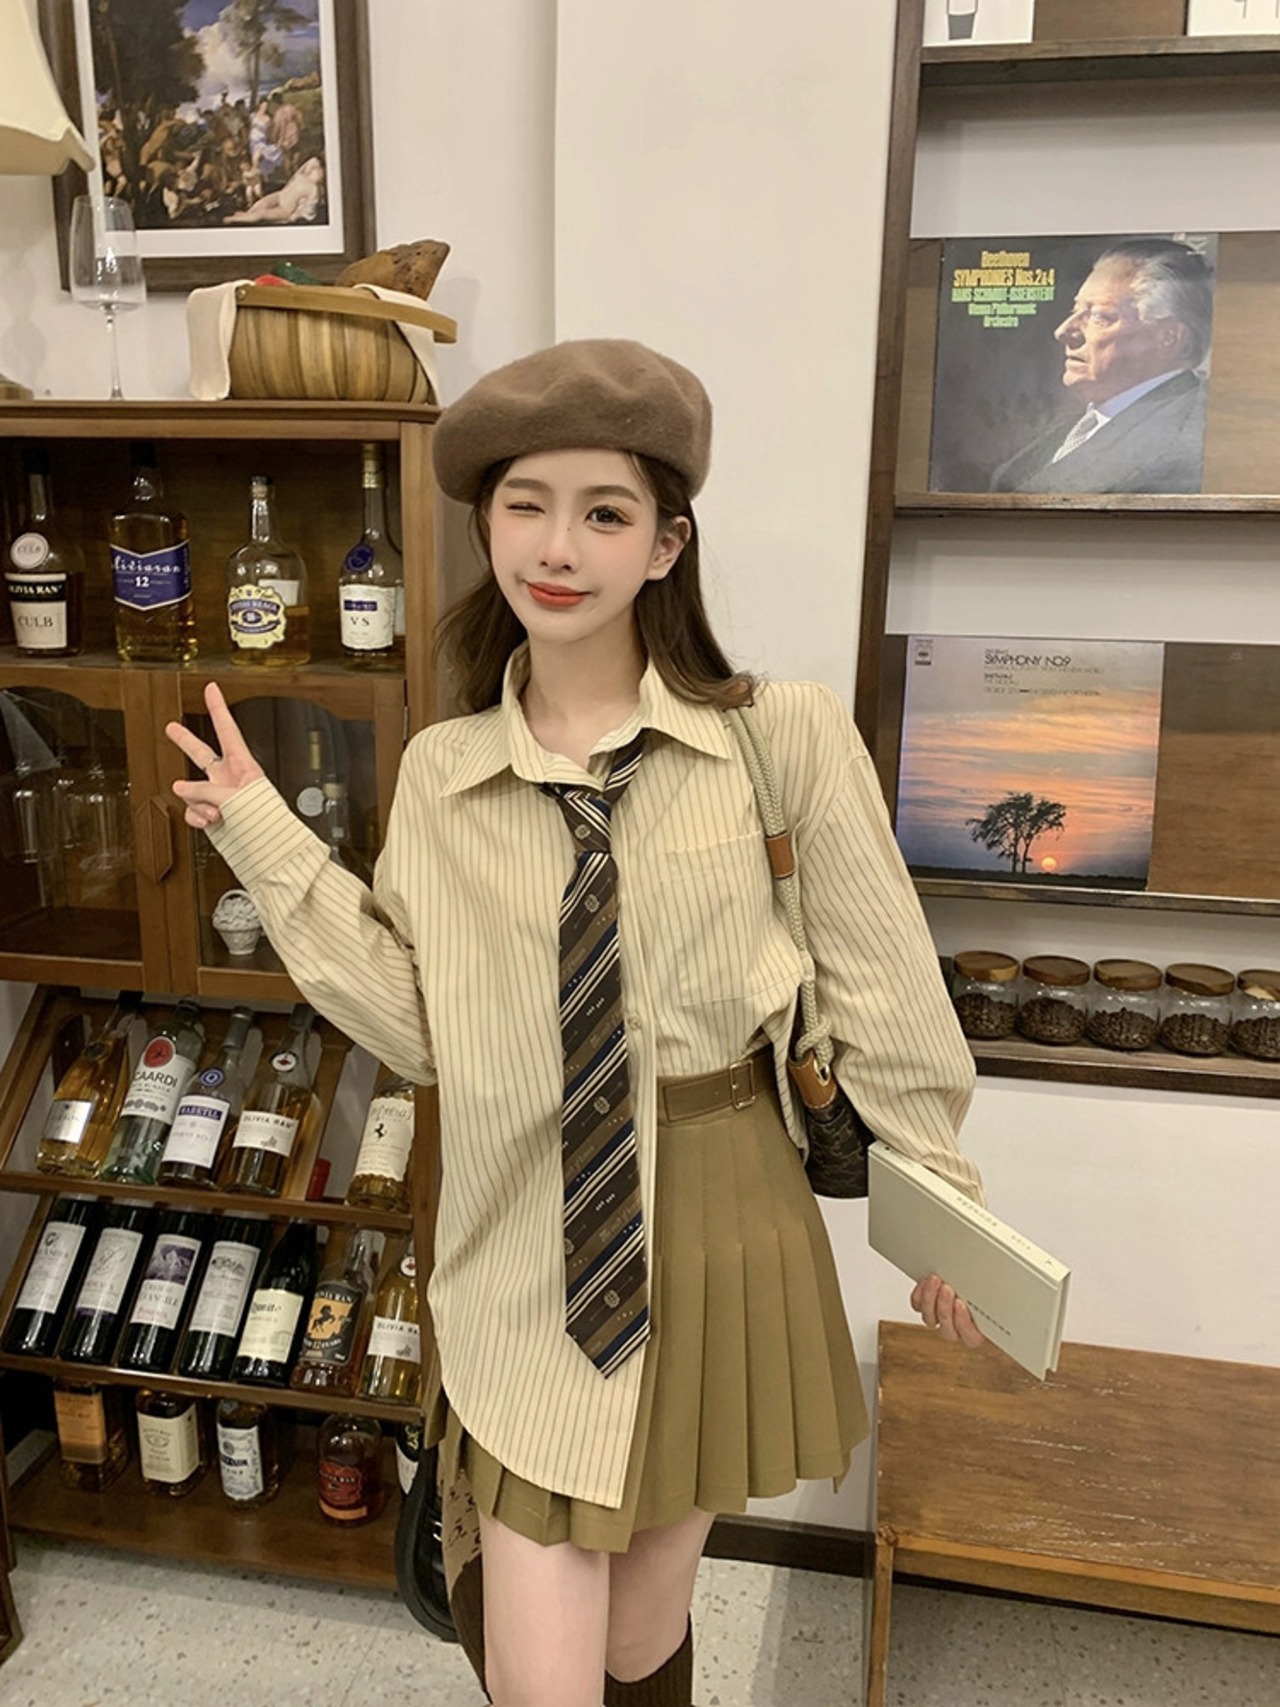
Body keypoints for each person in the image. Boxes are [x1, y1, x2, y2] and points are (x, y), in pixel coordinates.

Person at [166, 339, 985, 1707]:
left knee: (637, 1641)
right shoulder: (444, 772)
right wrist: (263, 834)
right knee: (543, 1669)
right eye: (525, 505)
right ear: (486, 527)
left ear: (665, 544)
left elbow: (884, 986)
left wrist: (942, 1200)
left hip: (724, 1215)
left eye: (604, 512)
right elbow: (420, 1023)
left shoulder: (779, 737)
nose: (558, 546)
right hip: (529, 1229)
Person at [990, 237, 1215, 495]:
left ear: (1168, 338)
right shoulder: (1086, 424)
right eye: (1074, 311)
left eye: (1099, 316)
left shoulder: (1187, 435)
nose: (1063, 331)